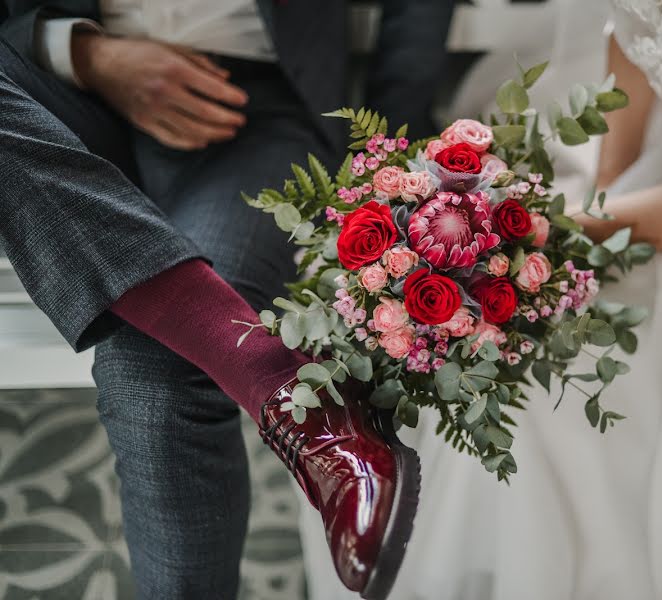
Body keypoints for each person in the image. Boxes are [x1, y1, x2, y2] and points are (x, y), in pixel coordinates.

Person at [299, 0, 662, 598]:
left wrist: (571, 233)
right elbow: (631, 36)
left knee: (550, 384)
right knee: (487, 334)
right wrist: (605, 194)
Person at [0, 1, 453, 599]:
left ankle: (275, 385)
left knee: (158, 370)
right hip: (48, 94)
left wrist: (389, 164)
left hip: (251, 107)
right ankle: (281, 386)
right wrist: (85, 53)